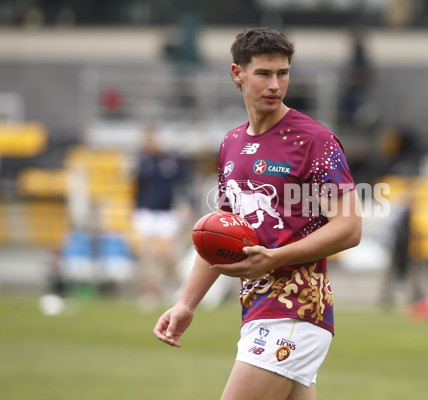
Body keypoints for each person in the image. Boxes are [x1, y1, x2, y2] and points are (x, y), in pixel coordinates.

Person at [153, 27, 362, 400]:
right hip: (257, 311)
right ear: (238, 74)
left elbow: (348, 229)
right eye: (264, 73)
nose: (275, 85)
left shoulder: (314, 140)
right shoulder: (231, 143)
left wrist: (274, 259)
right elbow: (221, 235)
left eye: (283, 73)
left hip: (295, 311)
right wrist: (186, 304)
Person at [132, 125, 189, 309]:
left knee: (169, 255)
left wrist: (184, 206)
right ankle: (149, 292)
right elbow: (136, 188)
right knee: (148, 255)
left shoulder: (171, 161)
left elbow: (183, 184)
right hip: (147, 213)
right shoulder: (142, 162)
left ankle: (172, 289)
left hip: (167, 214)